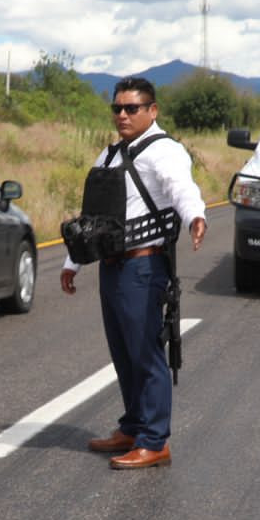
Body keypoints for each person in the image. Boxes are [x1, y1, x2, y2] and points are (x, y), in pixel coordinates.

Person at [61, 76, 207, 470]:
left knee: (145, 353)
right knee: (122, 352)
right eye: (117, 108)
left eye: (132, 108)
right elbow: (94, 215)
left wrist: (195, 215)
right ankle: (133, 425)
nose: (122, 115)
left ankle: (155, 440)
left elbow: (182, 189)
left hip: (144, 265)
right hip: (113, 266)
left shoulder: (165, 152)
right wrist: (73, 261)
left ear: (152, 110)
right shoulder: (109, 155)